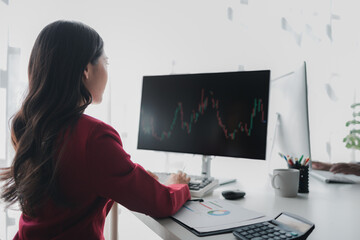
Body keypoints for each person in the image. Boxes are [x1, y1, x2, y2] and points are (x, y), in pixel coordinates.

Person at [0, 20, 191, 240]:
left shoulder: (33, 125)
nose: (107, 70)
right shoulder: (93, 137)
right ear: (86, 70)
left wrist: (130, 176)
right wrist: (177, 184)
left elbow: (76, 187)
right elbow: (161, 202)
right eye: (105, 61)